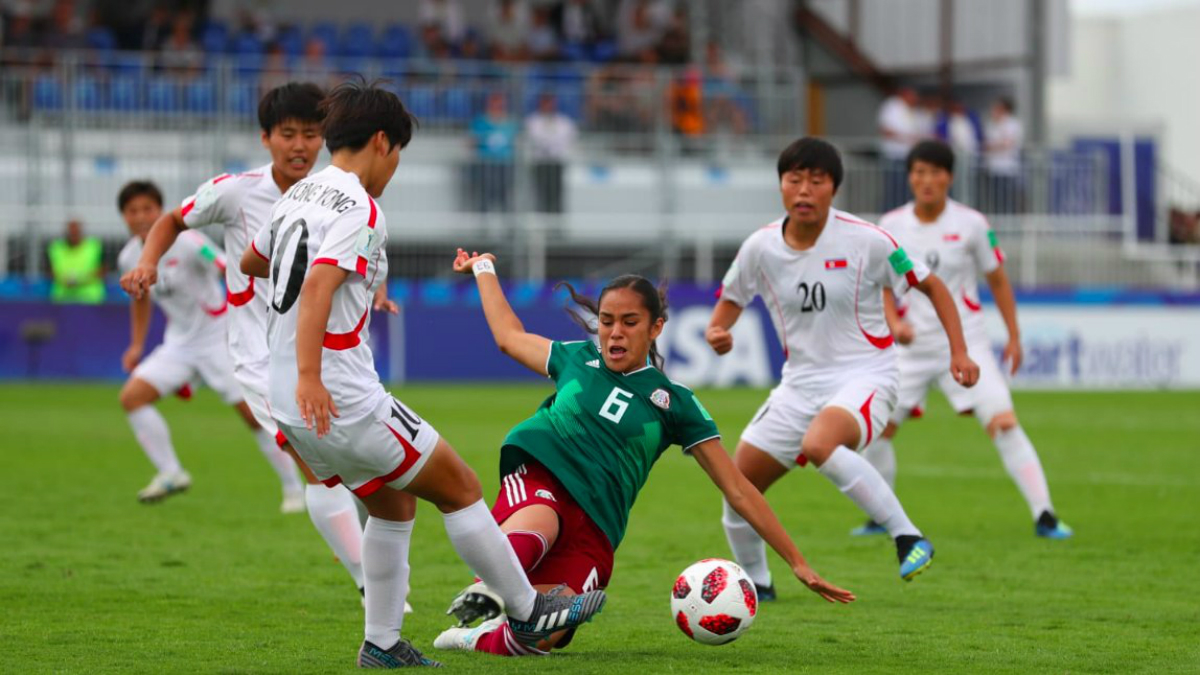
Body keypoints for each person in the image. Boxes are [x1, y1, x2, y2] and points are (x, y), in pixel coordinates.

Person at [240, 78, 606, 668]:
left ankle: (382, 644)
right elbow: (315, 288)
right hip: (339, 395)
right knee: (459, 487)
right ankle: (525, 608)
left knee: (392, 506)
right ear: (382, 142)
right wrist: (313, 373)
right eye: (399, 155)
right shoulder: (361, 205)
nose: (395, 169)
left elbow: (251, 259)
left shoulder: (297, 194)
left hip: (285, 399)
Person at [431, 255, 854, 657]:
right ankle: (490, 589)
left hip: (599, 523)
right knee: (542, 519)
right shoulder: (576, 359)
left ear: (656, 328)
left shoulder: (675, 403)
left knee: (538, 639)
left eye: (630, 322)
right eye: (606, 321)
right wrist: (484, 267)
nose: (614, 332)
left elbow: (738, 489)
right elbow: (509, 338)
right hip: (543, 473)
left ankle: (482, 631)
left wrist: (798, 563)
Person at [119, 84, 373, 602]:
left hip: (327, 351)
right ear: (266, 138)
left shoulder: (339, 194)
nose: (300, 145)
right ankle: (371, 581)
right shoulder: (236, 191)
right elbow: (174, 219)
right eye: (288, 134)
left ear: (324, 137)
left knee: (363, 461)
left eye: (310, 133)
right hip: (257, 354)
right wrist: (148, 262)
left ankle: (372, 558)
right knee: (316, 462)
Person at [707, 137, 980, 594]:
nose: (805, 191)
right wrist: (718, 334)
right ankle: (758, 585)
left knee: (820, 444)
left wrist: (960, 351)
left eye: (817, 181)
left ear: (834, 188)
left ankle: (907, 536)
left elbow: (933, 286)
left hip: (866, 375)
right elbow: (729, 302)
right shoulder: (759, 247)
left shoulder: (866, 240)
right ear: (781, 186)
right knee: (737, 490)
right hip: (798, 385)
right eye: (795, 180)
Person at [858, 140, 1072, 539]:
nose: (926, 180)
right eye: (918, 172)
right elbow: (880, 284)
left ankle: (1045, 514)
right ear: (910, 176)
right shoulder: (890, 225)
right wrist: (893, 323)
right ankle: (879, 516)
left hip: (966, 343)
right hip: (910, 348)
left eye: (934, 172)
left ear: (949, 177)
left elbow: (998, 280)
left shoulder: (972, 223)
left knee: (1003, 422)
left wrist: (1014, 336)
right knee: (879, 428)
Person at [115, 181, 275, 505]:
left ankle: (293, 489)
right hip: (180, 344)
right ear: (124, 217)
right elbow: (140, 299)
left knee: (254, 414)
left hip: (219, 338)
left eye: (148, 208)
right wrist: (136, 344)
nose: (141, 216)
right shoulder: (129, 257)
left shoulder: (189, 241)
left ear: (160, 211)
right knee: (132, 397)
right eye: (133, 211)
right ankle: (172, 472)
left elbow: (225, 265)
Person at [524, 92, 576, 214]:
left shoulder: (564, 122)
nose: (547, 106)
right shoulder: (532, 121)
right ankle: (542, 225)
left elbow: (567, 139)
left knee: (557, 195)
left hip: (557, 163)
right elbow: (535, 139)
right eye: (544, 103)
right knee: (540, 195)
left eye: (550, 103)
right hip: (540, 163)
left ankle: (557, 227)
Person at [468, 91, 518, 214]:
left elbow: (516, 141)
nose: (497, 106)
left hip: (505, 164)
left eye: (499, 104)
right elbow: (470, 141)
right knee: (485, 196)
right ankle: (483, 225)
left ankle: (506, 224)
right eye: (494, 103)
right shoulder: (480, 121)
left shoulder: (510, 123)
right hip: (485, 164)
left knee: (504, 196)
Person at [878, 87, 922, 211]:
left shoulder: (912, 110)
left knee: (906, 188)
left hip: (908, 156)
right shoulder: (892, 106)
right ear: (905, 94)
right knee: (893, 188)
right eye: (913, 96)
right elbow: (886, 130)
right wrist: (906, 138)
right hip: (894, 155)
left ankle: (903, 211)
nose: (915, 100)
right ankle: (889, 212)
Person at [47, 219, 105, 304]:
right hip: (62, 298)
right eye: (71, 231)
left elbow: (103, 270)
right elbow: (50, 271)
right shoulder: (56, 248)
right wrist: (64, 280)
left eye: (76, 231)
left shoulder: (94, 247)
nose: (73, 234)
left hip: (90, 298)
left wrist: (81, 280)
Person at [981, 96, 1023, 213]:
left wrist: (992, 146)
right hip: (992, 168)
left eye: (997, 108)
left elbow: (1007, 143)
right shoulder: (991, 124)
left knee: (1006, 200)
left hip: (1007, 169)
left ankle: (1007, 223)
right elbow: (986, 143)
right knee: (994, 200)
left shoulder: (1012, 124)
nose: (993, 111)